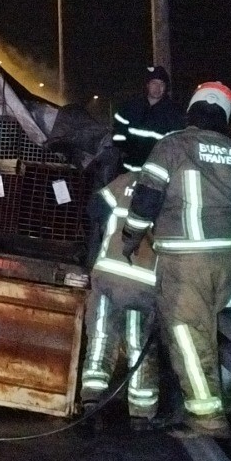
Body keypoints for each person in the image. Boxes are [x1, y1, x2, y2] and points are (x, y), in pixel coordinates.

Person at [119, 82, 231, 440]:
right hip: (226, 263)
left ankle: (207, 419)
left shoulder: (171, 147)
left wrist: (131, 237)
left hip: (185, 262)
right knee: (201, 335)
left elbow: (146, 200)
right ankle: (198, 404)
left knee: (187, 336)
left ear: (191, 112)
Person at [79, 169, 164, 431]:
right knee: (140, 347)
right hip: (145, 285)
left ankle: (91, 405)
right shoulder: (176, 193)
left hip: (108, 277)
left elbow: (94, 209)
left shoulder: (127, 179)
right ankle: (141, 416)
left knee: (102, 339)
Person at [111, 66, 184, 175]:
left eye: (161, 84)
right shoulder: (130, 107)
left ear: (166, 87)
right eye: (154, 83)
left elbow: (176, 143)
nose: (157, 87)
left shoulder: (174, 113)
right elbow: (118, 133)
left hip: (156, 175)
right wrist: (126, 150)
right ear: (147, 85)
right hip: (127, 172)